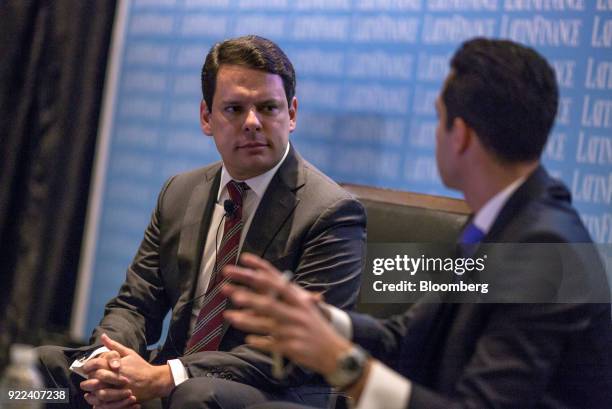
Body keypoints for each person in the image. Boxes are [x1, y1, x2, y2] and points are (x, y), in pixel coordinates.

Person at [222, 38, 612, 409]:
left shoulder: (542, 248)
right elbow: (409, 337)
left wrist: (342, 363)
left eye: (438, 117)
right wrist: (322, 320)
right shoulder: (504, 222)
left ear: (460, 136)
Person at [37, 35, 366, 409]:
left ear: (291, 114)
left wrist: (167, 376)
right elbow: (136, 303)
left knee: (194, 396)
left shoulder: (332, 213)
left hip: (273, 393)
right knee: (43, 371)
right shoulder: (180, 192)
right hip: (174, 377)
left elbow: (301, 350)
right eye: (234, 109)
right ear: (207, 118)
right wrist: (110, 362)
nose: (253, 122)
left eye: (268, 107)